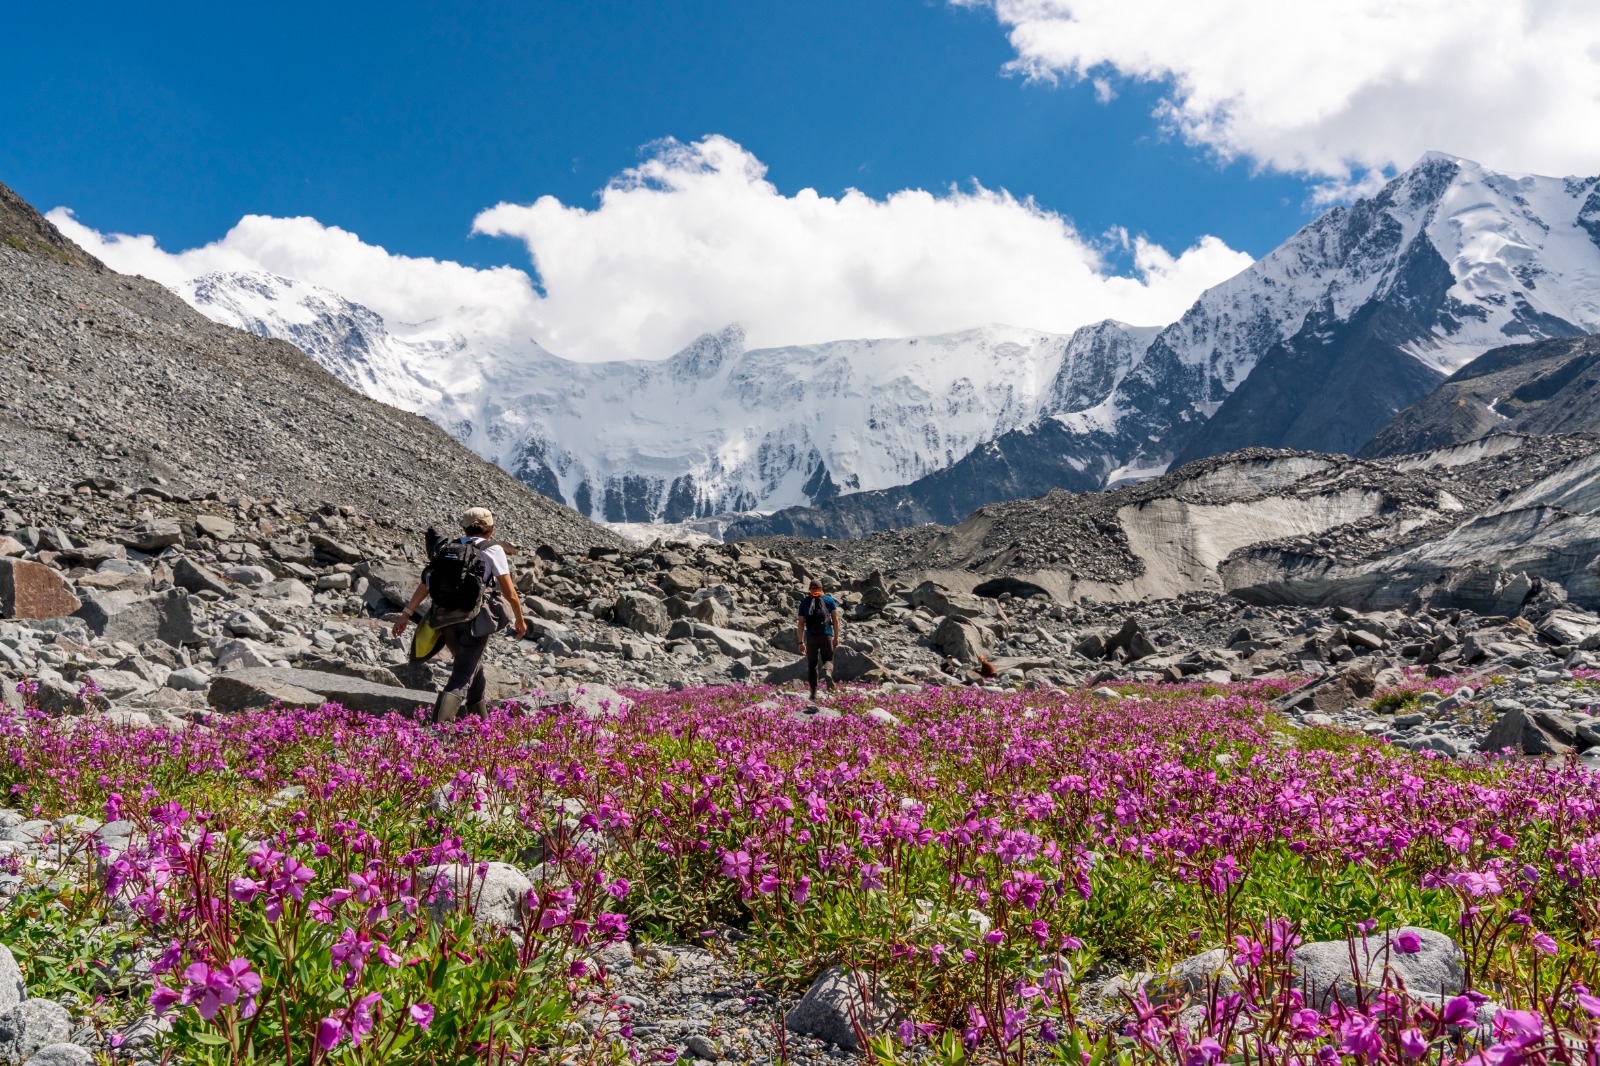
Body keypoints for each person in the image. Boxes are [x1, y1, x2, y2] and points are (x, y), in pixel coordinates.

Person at [393, 507, 528, 723]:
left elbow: (426, 583)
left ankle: (483, 729)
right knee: (462, 676)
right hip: (474, 620)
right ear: (490, 531)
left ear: (464, 529)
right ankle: (437, 733)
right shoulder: (493, 549)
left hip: (444, 620)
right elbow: (509, 592)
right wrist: (520, 621)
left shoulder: (448, 548)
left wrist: (406, 614)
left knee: (475, 671)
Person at [796, 578, 841, 700]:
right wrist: (836, 637)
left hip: (811, 637)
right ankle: (827, 672)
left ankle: (813, 692)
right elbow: (835, 620)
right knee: (828, 659)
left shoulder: (805, 602)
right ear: (821, 589)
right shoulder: (829, 600)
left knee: (812, 664)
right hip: (826, 635)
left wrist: (801, 642)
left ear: (810, 590)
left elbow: (801, 623)